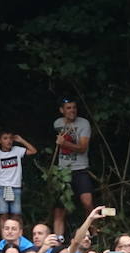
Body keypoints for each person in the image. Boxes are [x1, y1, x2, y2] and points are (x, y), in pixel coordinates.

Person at [51, 98, 93, 236]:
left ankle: (93, 232)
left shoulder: (84, 123)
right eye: (68, 108)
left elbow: (82, 148)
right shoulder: (57, 123)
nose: (72, 110)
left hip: (80, 169)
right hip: (63, 172)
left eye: (74, 107)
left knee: (87, 202)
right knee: (59, 209)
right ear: (62, 110)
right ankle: (59, 240)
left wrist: (64, 143)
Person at [0, 129, 38, 216]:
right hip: (2, 186)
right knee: (3, 214)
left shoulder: (17, 150)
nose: (9, 141)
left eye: (10, 138)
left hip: (15, 186)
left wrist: (21, 140)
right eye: (5, 138)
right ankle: (3, 230)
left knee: (16, 215)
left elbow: (33, 151)